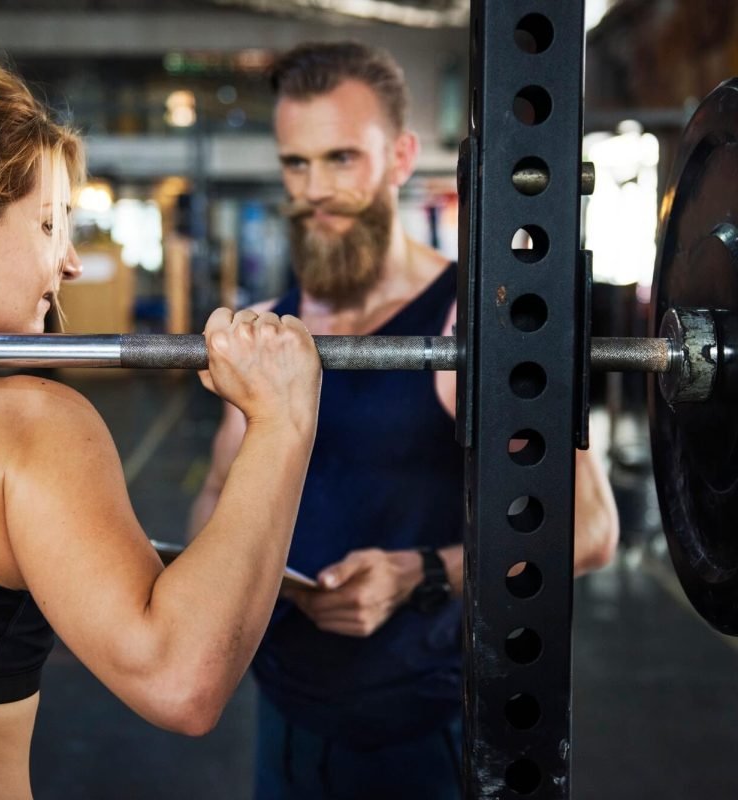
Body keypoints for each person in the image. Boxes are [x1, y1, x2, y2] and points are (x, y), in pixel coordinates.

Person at [188, 41, 620, 800]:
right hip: (283, 710)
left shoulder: (473, 324)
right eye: (297, 163)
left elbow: (590, 527)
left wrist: (418, 574)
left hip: (417, 730)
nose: (316, 188)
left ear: (402, 157)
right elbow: (219, 490)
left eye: (342, 158)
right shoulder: (266, 326)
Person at [0, 53, 322, 799]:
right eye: (50, 224)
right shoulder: (24, 423)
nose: (71, 263)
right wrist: (281, 421)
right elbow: (180, 678)